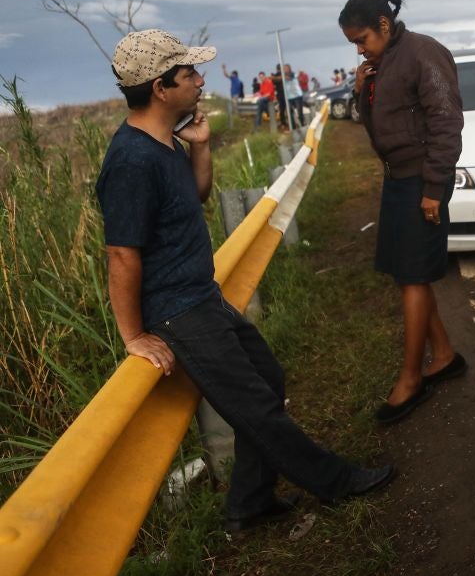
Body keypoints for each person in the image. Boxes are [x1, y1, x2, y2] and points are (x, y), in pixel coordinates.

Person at [98, 29, 394, 531]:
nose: (200, 79)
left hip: (200, 297)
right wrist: (133, 335)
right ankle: (334, 481)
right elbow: (122, 256)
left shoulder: (164, 142)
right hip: (178, 311)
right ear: (159, 88)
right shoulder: (130, 161)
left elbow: (195, 197)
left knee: (268, 382)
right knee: (257, 406)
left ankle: (249, 503)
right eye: (189, 73)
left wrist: (200, 146)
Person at [339, 0, 467, 424]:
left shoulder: (422, 53)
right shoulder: (380, 64)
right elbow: (375, 123)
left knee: (414, 277)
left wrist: (434, 188)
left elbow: (446, 122)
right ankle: (444, 355)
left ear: (384, 26)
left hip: (421, 182)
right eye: (353, 43)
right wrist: (361, 90)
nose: (359, 49)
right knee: (404, 273)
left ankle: (411, 380)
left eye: (362, 39)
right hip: (397, 180)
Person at [283, 63, 305, 128]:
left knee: (299, 112)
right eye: (284, 69)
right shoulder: (283, 76)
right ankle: (293, 128)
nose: (285, 70)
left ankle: (302, 126)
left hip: (297, 96)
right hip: (289, 97)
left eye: (286, 68)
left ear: (289, 69)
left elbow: (289, 78)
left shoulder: (293, 74)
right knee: (290, 113)